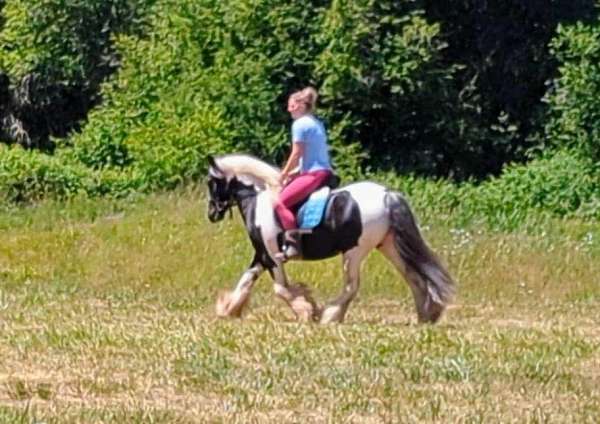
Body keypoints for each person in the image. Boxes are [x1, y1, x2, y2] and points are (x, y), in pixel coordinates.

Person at [275, 87, 333, 260]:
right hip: (322, 171)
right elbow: (311, 154)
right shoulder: (316, 122)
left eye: (291, 106)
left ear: (300, 105)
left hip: (314, 174)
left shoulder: (299, 124)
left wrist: (284, 173)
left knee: (280, 202)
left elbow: (297, 153)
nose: (289, 109)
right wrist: (295, 172)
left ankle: (293, 246)